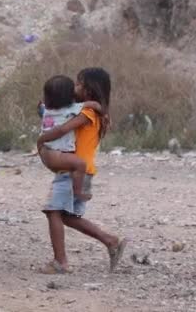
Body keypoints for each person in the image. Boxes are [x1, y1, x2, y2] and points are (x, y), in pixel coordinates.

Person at [38, 67, 127, 274]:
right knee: (68, 216)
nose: (74, 87)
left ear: (89, 90)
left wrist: (42, 139)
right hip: (83, 170)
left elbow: (62, 128)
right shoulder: (93, 112)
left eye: (78, 84)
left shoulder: (85, 112)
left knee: (53, 212)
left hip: (74, 170)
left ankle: (60, 262)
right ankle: (111, 241)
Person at [38, 75, 102, 201]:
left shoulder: (47, 110)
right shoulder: (69, 109)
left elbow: (42, 110)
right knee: (80, 164)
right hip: (59, 153)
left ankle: (65, 198)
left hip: (47, 152)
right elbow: (93, 105)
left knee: (55, 206)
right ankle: (78, 192)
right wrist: (100, 107)